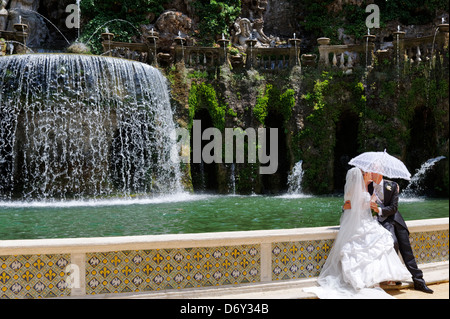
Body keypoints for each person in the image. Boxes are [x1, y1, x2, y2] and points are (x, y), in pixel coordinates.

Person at [304, 167, 410, 299]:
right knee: (370, 246)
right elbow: (350, 206)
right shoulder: (356, 189)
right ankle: (370, 279)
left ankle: (382, 278)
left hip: (368, 221)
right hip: (360, 224)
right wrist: (370, 202)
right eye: (369, 172)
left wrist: (374, 200)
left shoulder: (368, 186)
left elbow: (381, 184)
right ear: (364, 175)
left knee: (380, 242)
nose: (371, 174)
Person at [364, 171, 434, 294]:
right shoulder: (367, 186)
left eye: (373, 171)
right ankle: (394, 277)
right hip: (381, 223)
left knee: (407, 250)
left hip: (396, 220)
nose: (371, 173)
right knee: (393, 243)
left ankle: (419, 281)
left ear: (380, 173)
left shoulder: (392, 185)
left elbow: (394, 208)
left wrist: (378, 209)